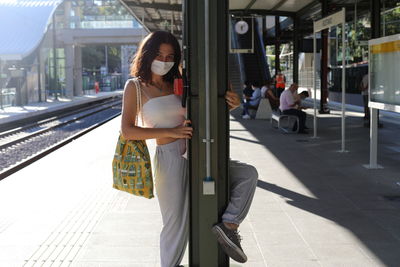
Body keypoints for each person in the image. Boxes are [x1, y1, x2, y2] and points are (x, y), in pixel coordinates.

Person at [121, 31, 258, 267]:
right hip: (170, 158)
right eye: (158, 55)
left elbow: (203, 111)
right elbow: (128, 131)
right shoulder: (135, 86)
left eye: (169, 56)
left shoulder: (181, 80)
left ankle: (229, 226)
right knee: (176, 224)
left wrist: (229, 103)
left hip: (200, 152)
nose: (164, 62)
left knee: (247, 174)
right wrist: (170, 132)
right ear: (146, 55)